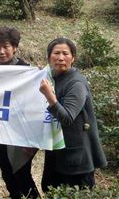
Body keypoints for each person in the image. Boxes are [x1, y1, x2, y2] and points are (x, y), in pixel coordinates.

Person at [39, 37, 107, 191]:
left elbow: (68, 118)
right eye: (56, 53)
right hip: (57, 152)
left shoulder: (76, 83)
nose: (61, 58)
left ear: (73, 58)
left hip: (76, 157)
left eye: (66, 53)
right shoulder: (52, 77)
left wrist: (50, 97)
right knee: (50, 190)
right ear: (49, 57)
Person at [0, 27, 40, 199]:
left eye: (6, 46)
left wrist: (33, 139)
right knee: (6, 171)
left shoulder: (26, 70)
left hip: (21, 132)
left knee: (22, 173)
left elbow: (34, 105)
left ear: (14, 47)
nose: (1, 51)